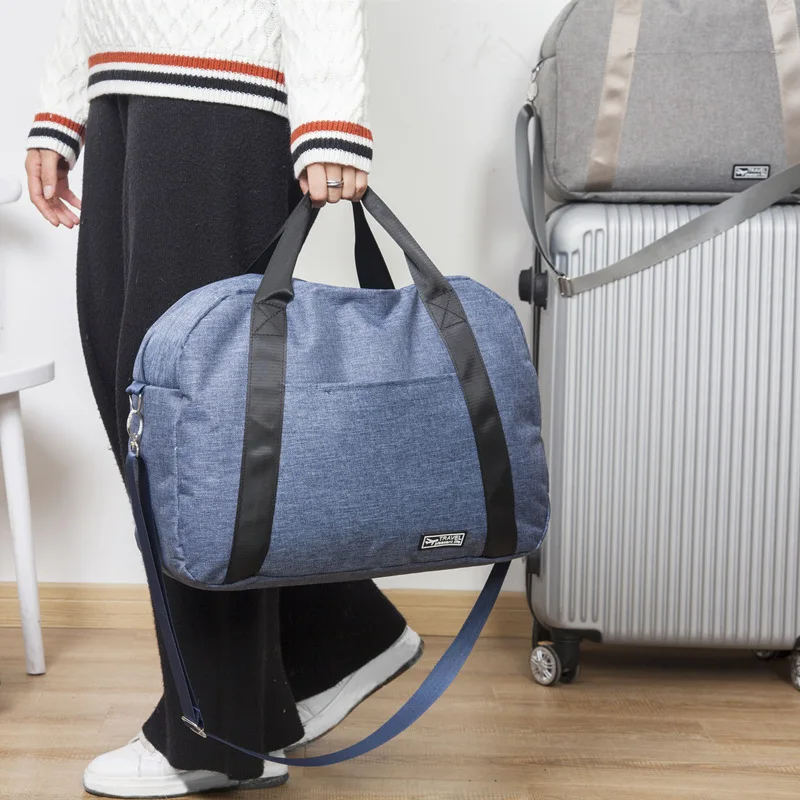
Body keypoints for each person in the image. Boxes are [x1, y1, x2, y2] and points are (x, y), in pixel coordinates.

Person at [24, 1, 423, 796]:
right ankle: (329, 637)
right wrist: (62, 102)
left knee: (191, 424)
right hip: (119, 85)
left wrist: (331, 112)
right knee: (140, 402)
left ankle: (218, 734)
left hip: (222, 92)